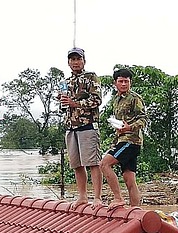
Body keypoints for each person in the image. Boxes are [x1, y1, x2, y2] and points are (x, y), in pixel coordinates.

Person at [59, 47, 103, 209]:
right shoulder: (65, 82)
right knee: (76, 164)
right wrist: (63, 102)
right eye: (72, 59)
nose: (75, 62)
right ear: (68, 62)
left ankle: (97, 197)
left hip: (88, 125)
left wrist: (75, 103)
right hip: (70, 127)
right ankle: (82, 196)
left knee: (93, 162)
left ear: (84, 61)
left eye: (78, 59)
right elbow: (63, 106)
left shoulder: (91, 77)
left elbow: (97, 100)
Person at [100, 68, 147, 209]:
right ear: (115, 83)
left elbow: (143, 119)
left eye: (126, 81)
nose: (124, 84)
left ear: (130, 82)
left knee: (104, 164)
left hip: (131, 141)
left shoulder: (135, 98)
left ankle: (118, 198)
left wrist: (129, 127)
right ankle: (135, 210)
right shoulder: (116, 100)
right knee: (129, 178)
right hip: (122, 140)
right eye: (121, 81)